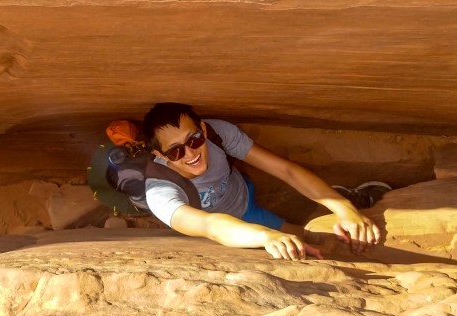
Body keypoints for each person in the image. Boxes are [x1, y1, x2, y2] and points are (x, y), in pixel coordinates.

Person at [141, 102, 386, 261]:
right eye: (175, 151)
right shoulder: (160, 191)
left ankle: (347, 197)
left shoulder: (218, 134)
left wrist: (345, 209)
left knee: (327, 239)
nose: (190, 153)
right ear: (160, 155)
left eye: (193, 139)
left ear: (203, 130)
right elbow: (212, 227)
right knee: (310, 246)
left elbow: (286, 170)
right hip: (231, 226)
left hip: (245, 199)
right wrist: (266, 237)